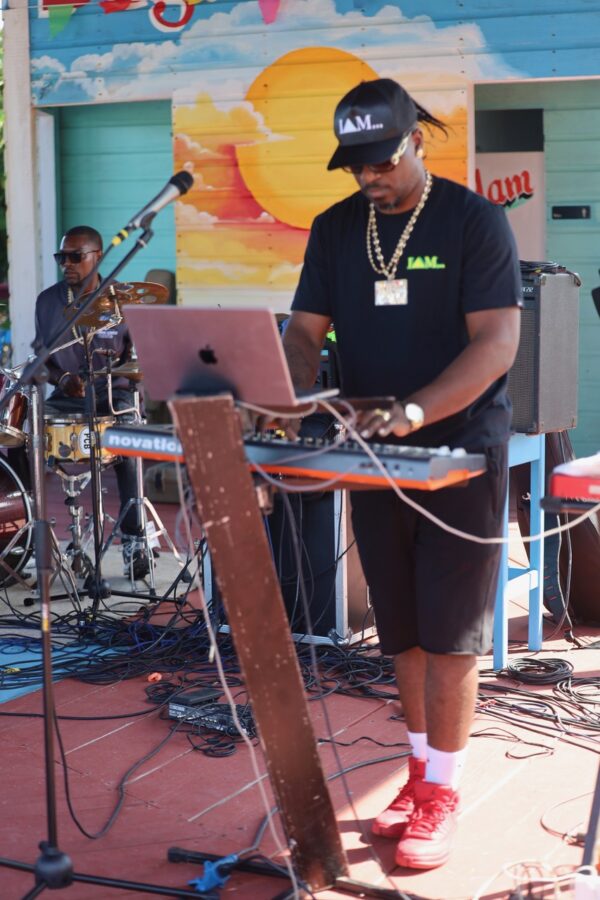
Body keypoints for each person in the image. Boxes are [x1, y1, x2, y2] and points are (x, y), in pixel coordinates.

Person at [282, 78, 522, 869]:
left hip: (458, 452)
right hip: (371, 448)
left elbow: (497, 343)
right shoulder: (334, 229)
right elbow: (304, 331)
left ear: (416, 141)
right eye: (355, 166)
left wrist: (416, 411)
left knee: (450, 637)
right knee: (404, 632)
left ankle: (444, 793)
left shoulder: (473, 220)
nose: (369, 177)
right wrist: (283, 393)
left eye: (381, 162)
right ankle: (419, 777)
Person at [33, 225, 150, 580]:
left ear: (97, 257)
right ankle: (28, 532)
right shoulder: (48, 302)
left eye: (75, 256)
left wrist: (128, 379)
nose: (66, 264)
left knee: (128, 438)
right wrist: (61, 380)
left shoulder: (122, 299)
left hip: (114, 393)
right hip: (67, 396)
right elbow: (41, 360)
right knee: (26, 434)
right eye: (61, 257)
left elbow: (139, 361)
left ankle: (135, 541)